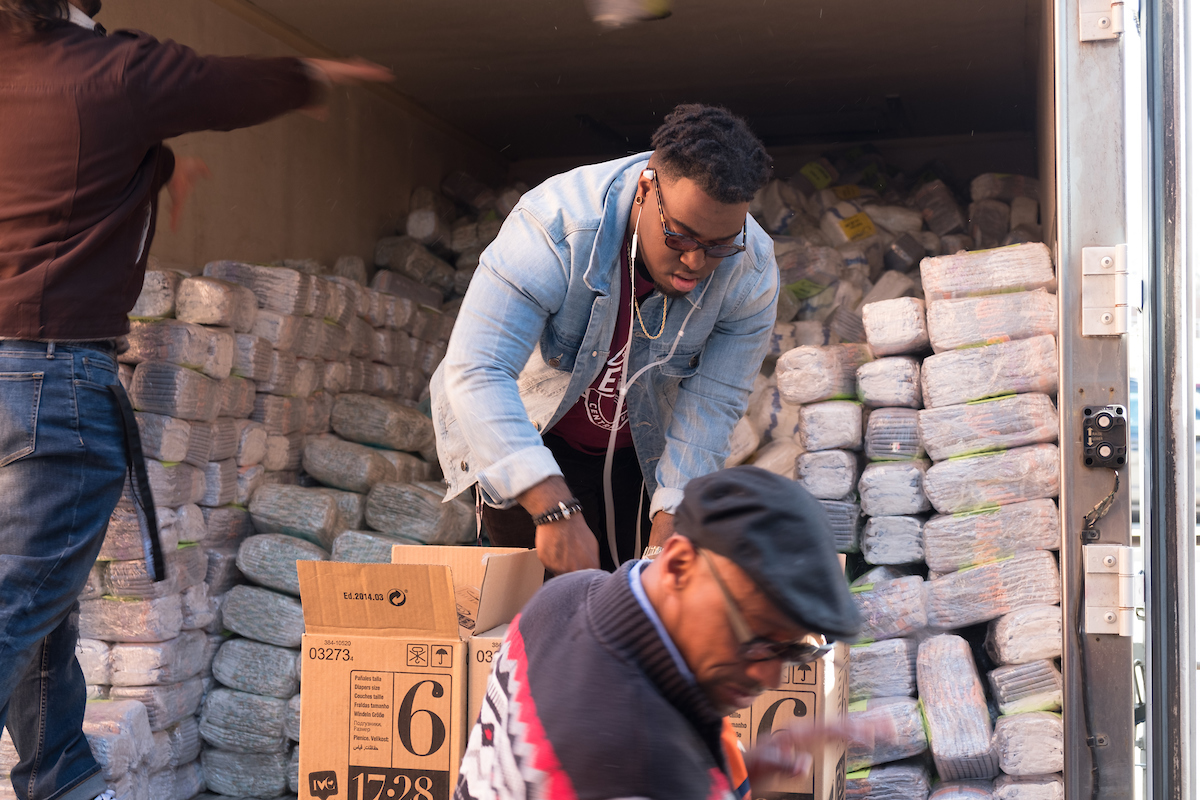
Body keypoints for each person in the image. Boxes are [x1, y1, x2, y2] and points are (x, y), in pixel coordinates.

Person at [0, 4, 390, 800]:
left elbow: (53, 167)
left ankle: (63, 776)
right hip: (48, 379)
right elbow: (207, 83)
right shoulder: (103, 67)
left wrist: (153, 167)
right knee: (22, 602)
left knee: (37, 607)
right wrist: (307, 75)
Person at [432, 104, 778, 575]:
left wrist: (672, 514)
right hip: (527, 437)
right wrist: (551, 506)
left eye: (719, 245)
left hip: (641, 448)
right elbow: (478, 370)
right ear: (645, 190)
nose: (697, 263)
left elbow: (713, 401)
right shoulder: (556, 226)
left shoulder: (750, 270)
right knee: (545, 608)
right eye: (680, 237)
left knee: (639, 603)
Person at [455, 465, 863, 800]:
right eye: (756, 641)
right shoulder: (640, 766)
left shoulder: (562, 599)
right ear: (680, 566)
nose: (770, 678)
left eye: (794, 651)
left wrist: (733, 770)